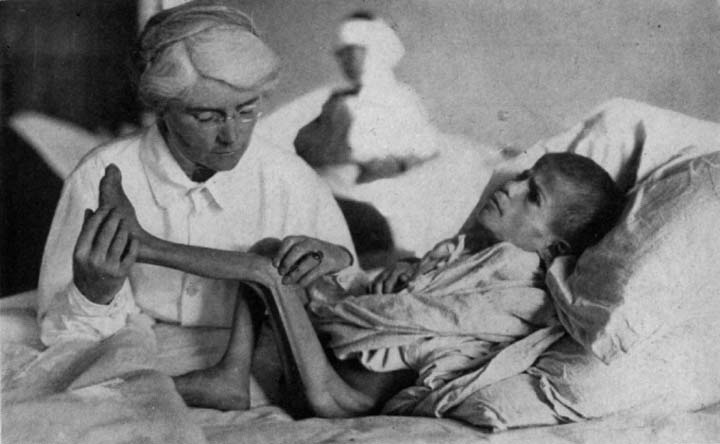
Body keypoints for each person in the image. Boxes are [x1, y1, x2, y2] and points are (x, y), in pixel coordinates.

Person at [91, 151, 625, 417]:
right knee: (272, 250)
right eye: (523, 176)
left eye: (533, 196)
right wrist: (403, 274)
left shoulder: (524, 287)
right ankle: (230, 377)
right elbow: (419, 301)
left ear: (554, 248)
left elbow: (427, 326)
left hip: (340, 396)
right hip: (328, 368)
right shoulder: (475, 253)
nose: (510, 187)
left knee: (264, 269)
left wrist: (389, 294)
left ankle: (142, 243)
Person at [37, 0, 362, 411]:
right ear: (163, 109)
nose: (232, 136)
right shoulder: (101, 174)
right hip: (139, 350)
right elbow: (62, 336)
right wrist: (94, 293)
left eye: (247, 111)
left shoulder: (289, 178)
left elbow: (356, 303)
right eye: (207, 117)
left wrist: (334, 263)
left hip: (264, 364)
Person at [294, 11, 440, 183]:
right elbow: (303, 145)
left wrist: (393, 165)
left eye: (352, 51)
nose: (345, 61)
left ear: (375, 49)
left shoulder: (403, 98)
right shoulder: (337, 101)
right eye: (341, 54)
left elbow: (426, 149)